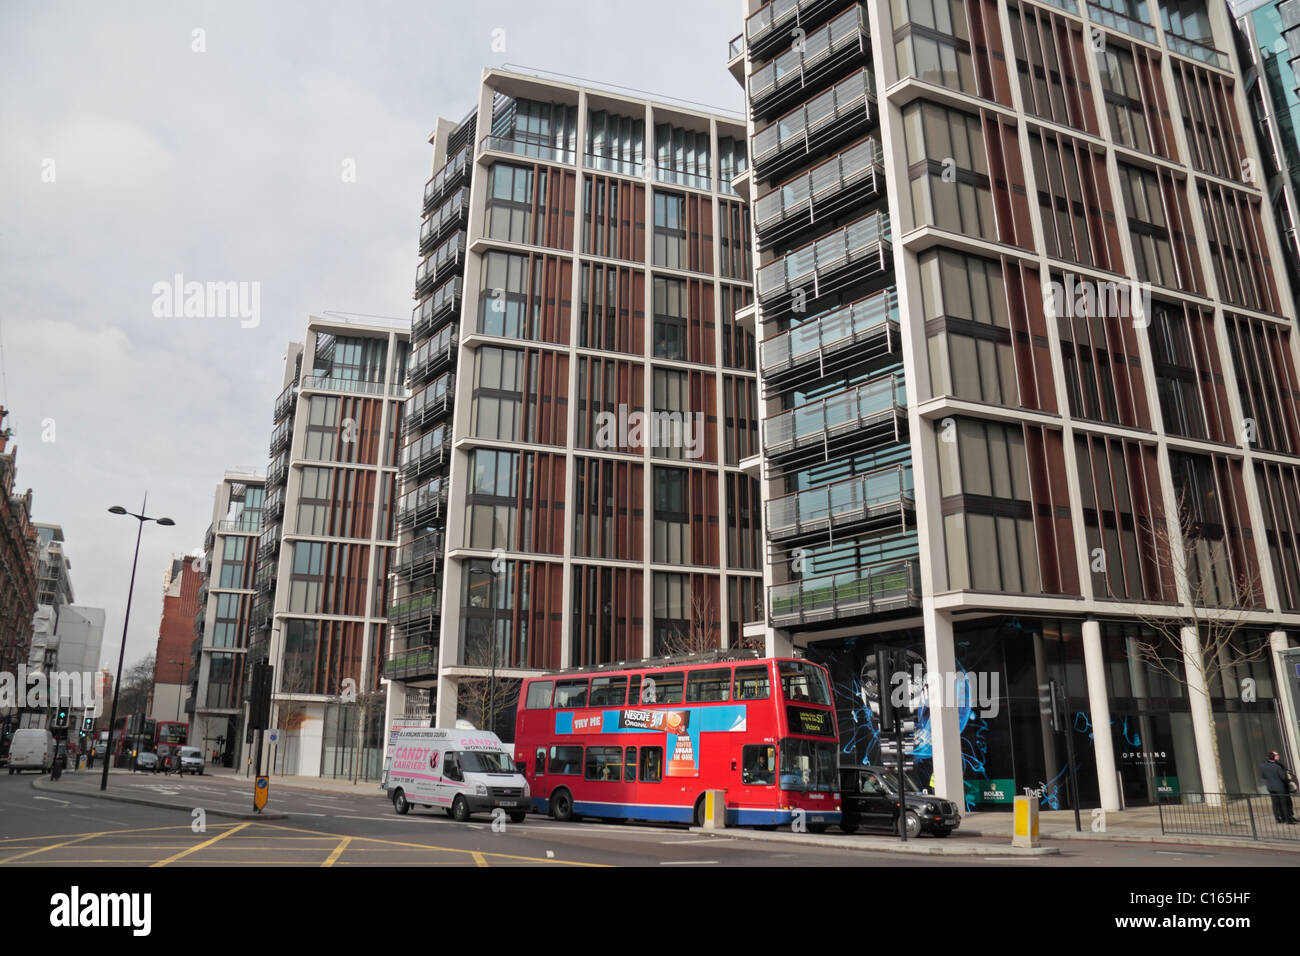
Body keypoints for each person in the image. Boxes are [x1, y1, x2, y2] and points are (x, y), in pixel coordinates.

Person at [1261, 750, 1298, 824]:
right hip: (1280, 787)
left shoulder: (1263, 766)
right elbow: (1283, 777)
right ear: (1273, 757)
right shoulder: (1277, 766)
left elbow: (1263, 776)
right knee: (1284, 803)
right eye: (1276, 755)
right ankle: (1288, 820)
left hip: (1271, 787)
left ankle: (1278, 819)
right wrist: (1285, 773)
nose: (1278, 756)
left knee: (1275, 803)